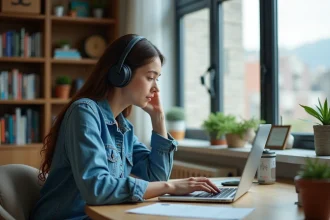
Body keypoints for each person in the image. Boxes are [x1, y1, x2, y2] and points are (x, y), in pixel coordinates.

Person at [30, 34, 220, 220]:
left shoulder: (124, 128)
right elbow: (96, 188)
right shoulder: (84, 112)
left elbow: (155, 177)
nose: (156, 88)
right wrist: (170, 187)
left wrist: (158, 119)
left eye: (157, 78)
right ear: (121, 74)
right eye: (150, 77)